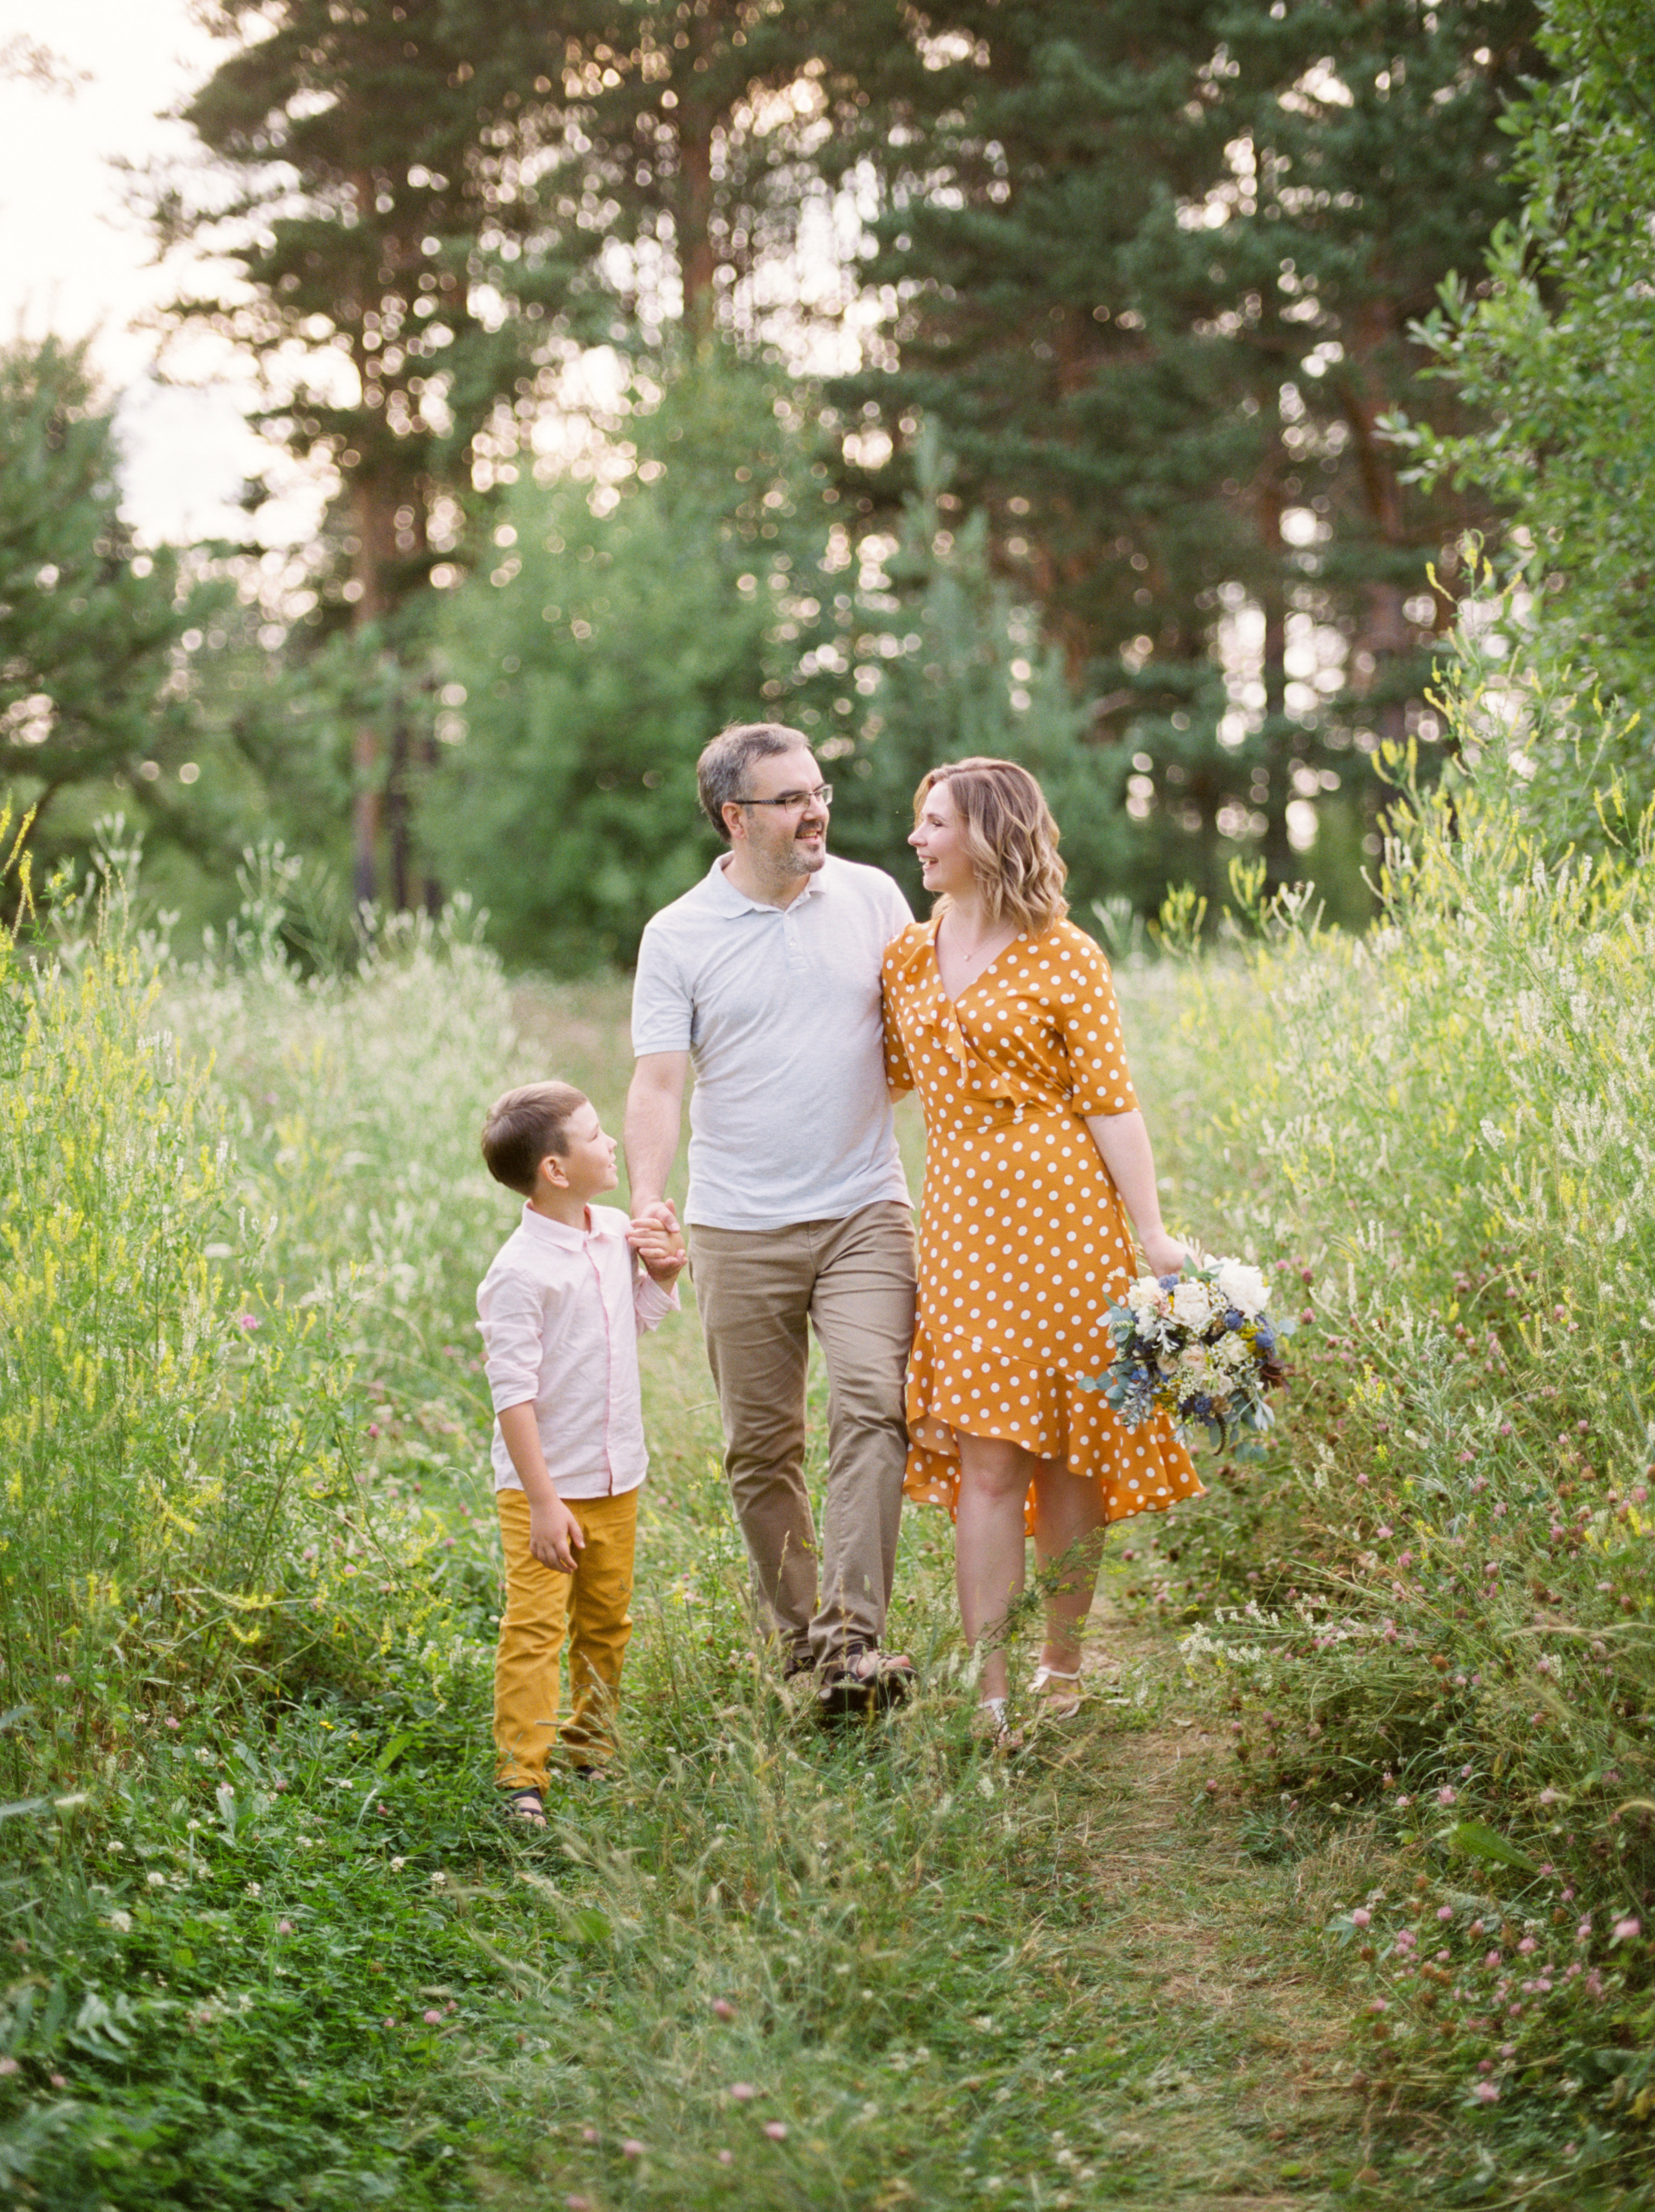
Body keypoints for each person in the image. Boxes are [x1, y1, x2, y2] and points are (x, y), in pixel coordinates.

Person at [881, 758, 1202, 1740]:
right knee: (986, 1461)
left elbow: (1112, 1103)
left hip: (1068, 1223)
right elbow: (879, 1081)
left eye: (933, 823)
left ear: (986, 835)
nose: (917, 839)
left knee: (1065, 1457)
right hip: (965, 1228)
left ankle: (1063, 1672)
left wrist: (1151, 1234)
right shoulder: (903, 957)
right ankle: (990, 1691)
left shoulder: (1067, 955)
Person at [625, 722, 918, 1715]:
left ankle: (855, 1639)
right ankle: (810, 1653)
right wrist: (647, 1196)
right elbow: (660, 1082)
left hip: (864, 1208)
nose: (815, 810)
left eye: (820, 790)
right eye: (790, 798)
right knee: (761, 1449)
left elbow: (936, 1032)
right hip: (737, 1225)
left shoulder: (875, 897)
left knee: (874, 1403)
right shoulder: (678, 934)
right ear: (733, 816)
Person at [477, 1080, 684, 1823]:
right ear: (555, 1170)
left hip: (615, 1473)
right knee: (535, 1627)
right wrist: (541, 1500)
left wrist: (661, 1276)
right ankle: (521, 1778)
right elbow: (513, 1396)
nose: (609, 1146)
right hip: (545, 1487)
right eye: (596, 1136)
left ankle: (591, 1747)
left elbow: (631, 1327)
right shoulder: (517, 1273)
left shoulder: (613, 1232)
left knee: (605, 1619)